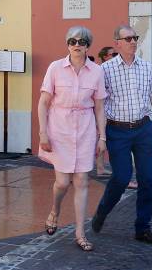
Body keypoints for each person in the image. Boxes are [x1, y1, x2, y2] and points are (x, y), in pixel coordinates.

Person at [92, 25, 152, 244]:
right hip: (117, 131)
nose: (133, 41)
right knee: (121, 177)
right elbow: (99, 104)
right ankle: (102, 212)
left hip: (144, 129)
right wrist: (101, 136)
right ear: (117, 43)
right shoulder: (105, 70)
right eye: (128, 38)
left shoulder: (146, 67)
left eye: (135, 37)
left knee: (148, 180)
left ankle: (142, 228)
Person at [38, 26, 107, 252]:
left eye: (81, 41)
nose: (76, 45)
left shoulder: (96, 71)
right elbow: (43, 102)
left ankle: (80, 233)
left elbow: (99, 107)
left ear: (88, 45)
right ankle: (55, 211)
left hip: (85, 130)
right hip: (59, 130)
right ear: (68, 44)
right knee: (62, 182)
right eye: (72, 41)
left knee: (82, 181)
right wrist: (43, 133)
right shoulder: (55, 68)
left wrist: (102, 137)